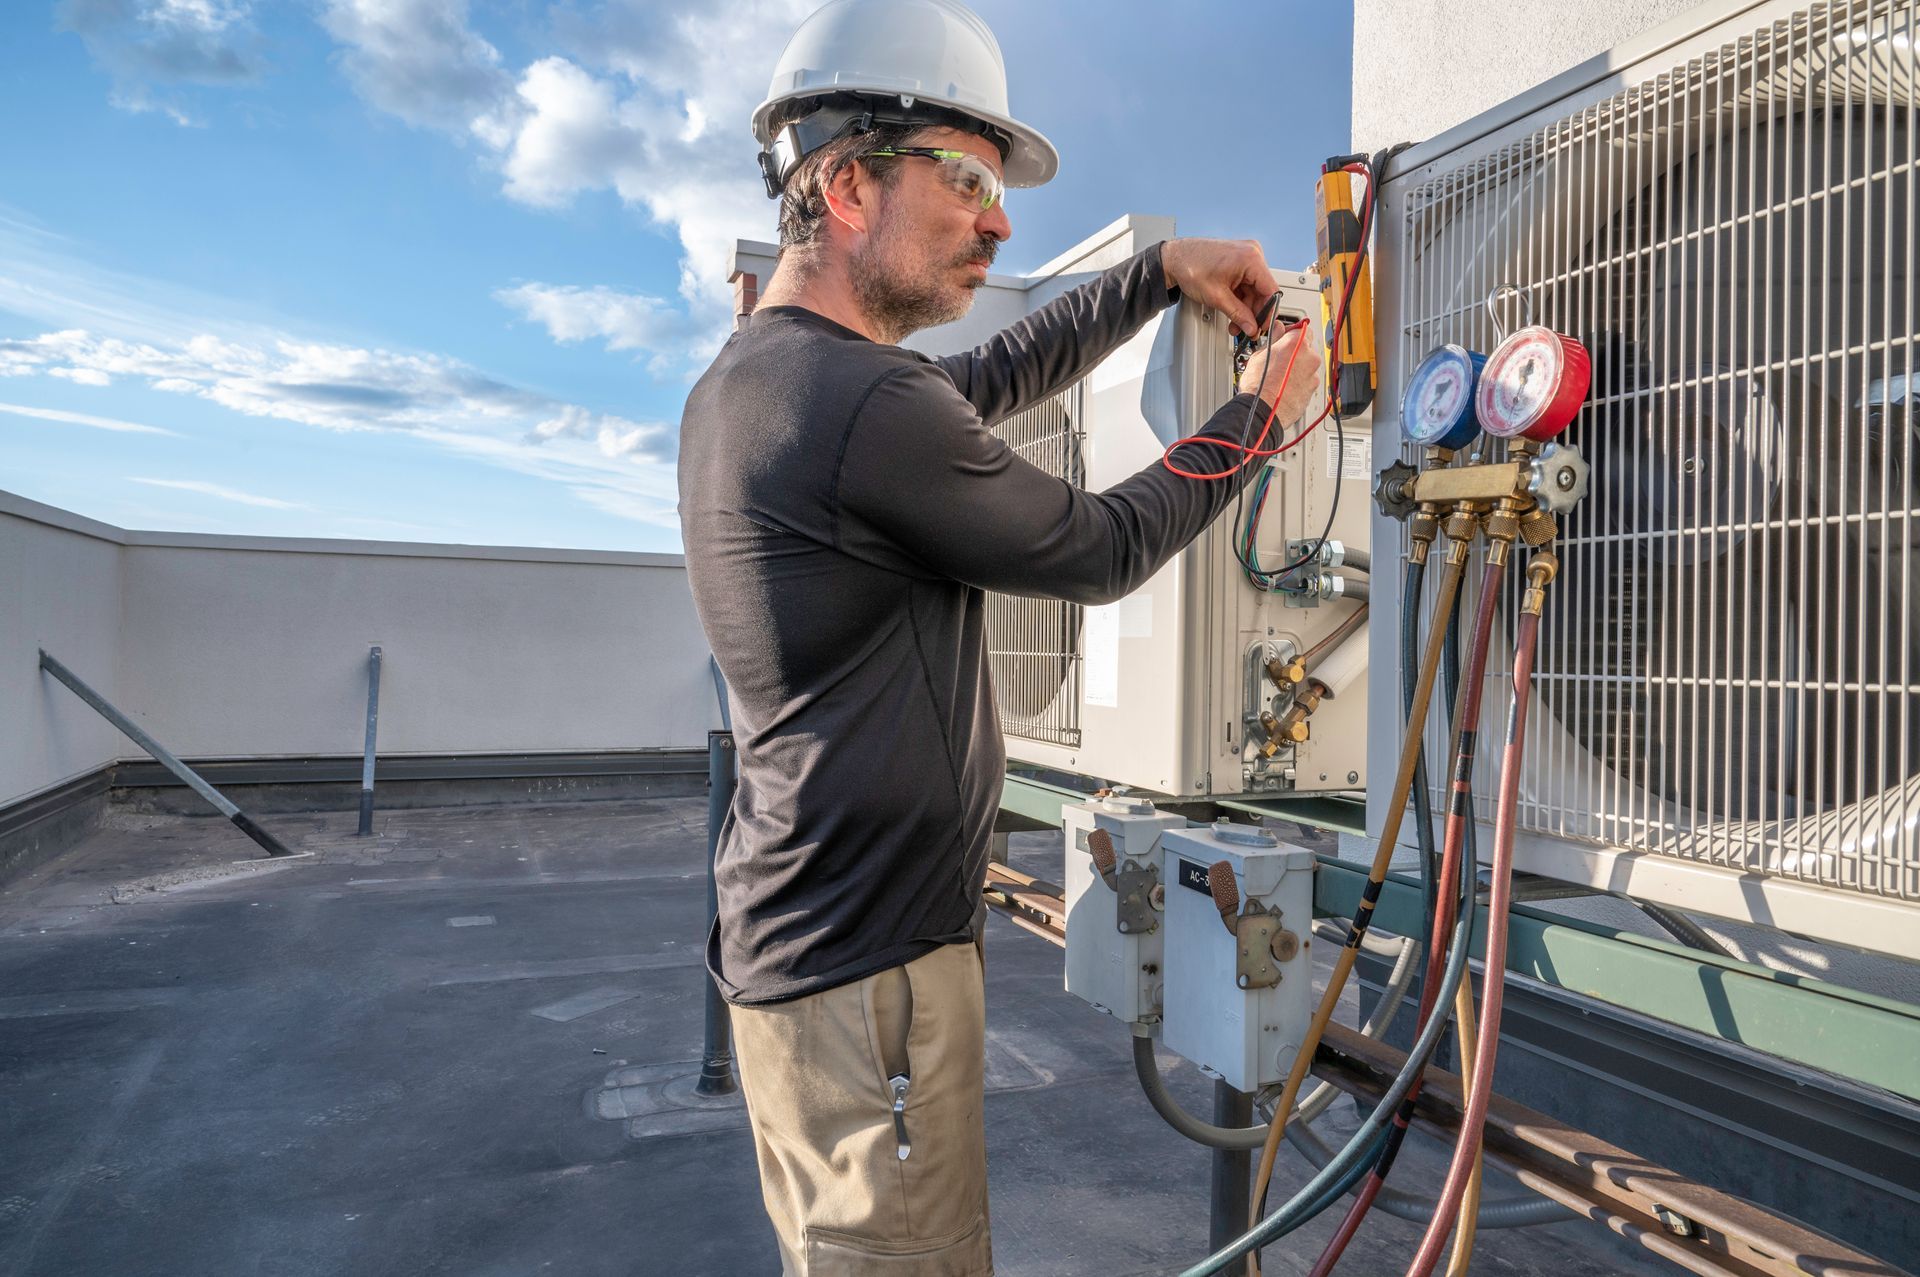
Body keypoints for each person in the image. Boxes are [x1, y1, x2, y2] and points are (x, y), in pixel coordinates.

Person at [677, 2, 1320, 1271]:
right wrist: (1260, 419)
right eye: (967, 178)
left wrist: (1153, 274)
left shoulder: (766, 379)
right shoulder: (856, 402)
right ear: (850, 184)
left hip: (807, 951)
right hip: (871, 983)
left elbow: (996, 380)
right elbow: (1094, 544)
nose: (999, 218)